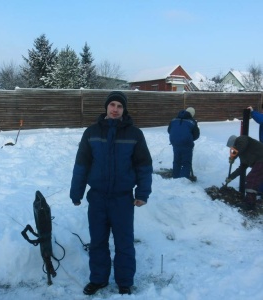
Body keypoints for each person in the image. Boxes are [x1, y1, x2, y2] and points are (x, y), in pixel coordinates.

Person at [70, 91, 153, 296]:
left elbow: (144, 166)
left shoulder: (134, 134)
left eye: (119, 106)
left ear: (124, 110)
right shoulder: (91, 132)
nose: (115, 109)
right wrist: (76, 191)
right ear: (106, 107)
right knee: (98, 241)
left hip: (122, 198)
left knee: (124, 242)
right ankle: (98, 279)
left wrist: (142, 192)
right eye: (112, 105)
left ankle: (124, 281)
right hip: (97, 197)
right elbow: (82, 164)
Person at [225, 134, 263, 210]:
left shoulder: (242, 139)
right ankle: (250, 200)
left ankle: (250, 203)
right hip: (259, 162)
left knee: (252, 179)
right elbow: (242, 168)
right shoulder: (243, 156)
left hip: (261, 160)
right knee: (254, 178)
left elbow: (241, 146)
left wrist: (233, 157)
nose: (232, 150)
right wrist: (231, 177)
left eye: (232, 147)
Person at [167, 107, 200, 179]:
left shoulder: (173, 120)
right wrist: (189, 139)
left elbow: (169, 130)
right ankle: (184, 180)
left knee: (176, 161)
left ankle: (175, 177)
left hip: (175, 143)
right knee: (186, 162)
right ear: (192, 114)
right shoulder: (192, 122)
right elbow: (196, 135)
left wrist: (177, 137)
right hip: (186, 143)